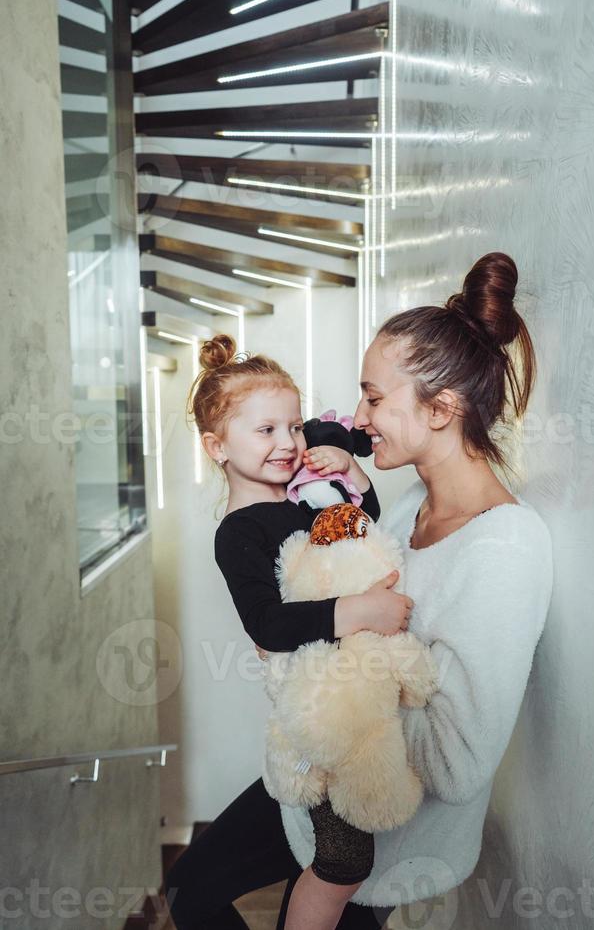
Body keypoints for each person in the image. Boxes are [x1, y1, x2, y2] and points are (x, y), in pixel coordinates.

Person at [280, 251, 554, 917]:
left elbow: (457, 763)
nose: (358, 415)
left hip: (382, 857)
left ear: (442, 408)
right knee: (197, 886)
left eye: (374, 397)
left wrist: (335, 675)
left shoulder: (507, 548)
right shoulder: (406, 506)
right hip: (315, 815)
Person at [165, 333, 411, 930]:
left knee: (335, 889)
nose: (288, 443)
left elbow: (360, 528)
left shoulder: (306, 501)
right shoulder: (239, 532)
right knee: (193, 890)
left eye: (294, 427)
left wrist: (353, 472)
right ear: (215, 446)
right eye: (265, 431)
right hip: (312, 736)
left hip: (355, 724)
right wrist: (358, 610)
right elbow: (270, 626)